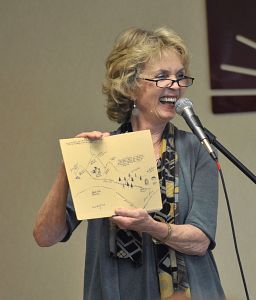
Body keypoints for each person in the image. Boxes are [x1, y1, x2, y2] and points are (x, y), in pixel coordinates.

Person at [33, 27, 226, 300]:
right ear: (130, 86)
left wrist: (150, 226)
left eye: (180, 76)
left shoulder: (197, 149)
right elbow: (45, 236)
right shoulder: (100, 153)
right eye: (162, 77)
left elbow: (200, 241)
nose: (176, 85)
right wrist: (68, 167)